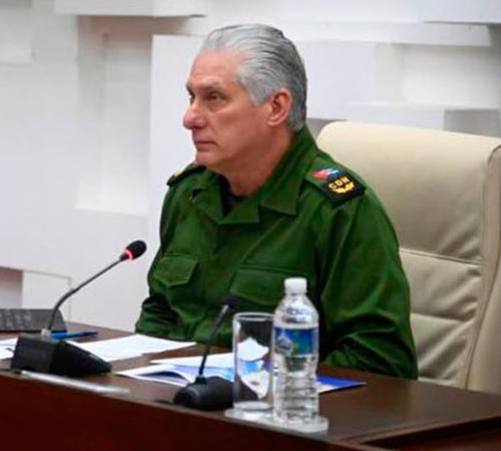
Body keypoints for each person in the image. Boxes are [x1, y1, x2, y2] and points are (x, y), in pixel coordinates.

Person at [135, 24, 418, 379]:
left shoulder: (338, 211)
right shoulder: (187, 195)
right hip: (183, 411)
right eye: (191, 97)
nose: (190, 117)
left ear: (276, 107)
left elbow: (382, 363)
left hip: (281, 420)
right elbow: (161, 311)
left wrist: (262, 381)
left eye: (214, 98)